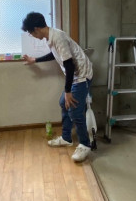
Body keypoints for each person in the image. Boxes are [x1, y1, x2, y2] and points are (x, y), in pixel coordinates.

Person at [21, 12, 93, 163]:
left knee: (75, 109)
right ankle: (67, 138)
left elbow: (69, 65)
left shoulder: (58, 37)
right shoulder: (51, 37)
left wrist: (68, 91)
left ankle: (85, 145)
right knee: (63, 103)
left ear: (36, 29)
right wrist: (35, 60)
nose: (31, 36)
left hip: (81, 75)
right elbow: (55, 55)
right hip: (75, 75)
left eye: (30, 33)